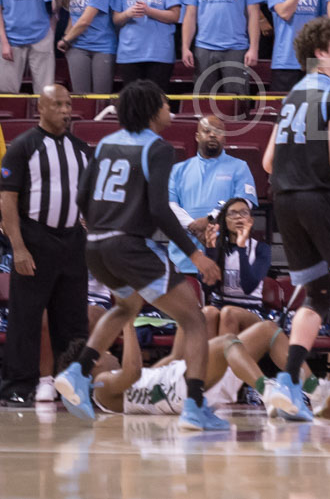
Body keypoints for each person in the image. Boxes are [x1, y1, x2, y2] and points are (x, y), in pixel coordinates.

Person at [54, 80, 226, 430]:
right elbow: (161, 210)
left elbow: (82, 197)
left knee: (124, 307)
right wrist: (195, 254)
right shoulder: (158, 148)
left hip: (96, 246)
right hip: (129, 247)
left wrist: (102, 224)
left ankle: (77, 371)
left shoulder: (104, 144)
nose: (169, 110)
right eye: (164, 104)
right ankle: (194, 405)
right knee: (193, 319)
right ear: (151, 110)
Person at [262, 18, 330, 421]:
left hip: (285, 201)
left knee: (320, 294)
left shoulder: (291, 95)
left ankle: (288, 383)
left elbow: (268, 161)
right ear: (321, 54)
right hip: (319, 200)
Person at [0, 86, 89, 407]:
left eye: (68, 104)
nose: (66, 110)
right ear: (40, 108)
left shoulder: (81, 149)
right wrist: (18, 248)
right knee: (26, 318)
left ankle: (72, 385)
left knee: (73, 320)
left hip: (72, 242)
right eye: (58, 104)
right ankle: (17, 387)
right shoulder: (23, 147)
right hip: (35, 242)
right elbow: (7, 201)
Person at [78, 317, 295, 418]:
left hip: (185, 380)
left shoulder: (140, 379)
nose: (109, 353)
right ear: (94, 361)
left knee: (268, 330)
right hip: (183, 390)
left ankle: (308, 392)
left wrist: (184, 310)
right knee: (227, 341)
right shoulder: (101, 386)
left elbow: (174, 357)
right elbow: (132, 369)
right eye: (105, 351)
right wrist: (127, 321)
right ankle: (268, 391)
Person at [167, 114, 260, 281]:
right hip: (183, 256)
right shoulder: (178, 170)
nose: (212, 135)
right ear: (197, 136)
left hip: (225, 257)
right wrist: (193, 226)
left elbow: (244, 204)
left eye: (217, 131)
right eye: (206, 131)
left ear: (224, 138)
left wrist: (210, 219)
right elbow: (170, 206)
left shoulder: (239, 167)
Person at [199, 197, 271, 337]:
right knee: (208, 312)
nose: (238, 217)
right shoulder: (217, 247)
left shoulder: (261, 249)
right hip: (221, 305)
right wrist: (210, 251)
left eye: (244, 213)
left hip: (251, 310)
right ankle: (210, 359)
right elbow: (207, 288)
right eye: (232, 213)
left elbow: (248, 287)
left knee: (229, 313)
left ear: (250, 220)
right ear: (225, 220)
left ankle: (223, 358)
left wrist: (242, 248)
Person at [267, 0, 326, 92]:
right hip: (284, 59)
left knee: (312, 112)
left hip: (312, 60)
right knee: (284, 109)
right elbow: (285, 13)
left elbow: (322, 23)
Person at [58, 0, 117, 94]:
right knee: (80, 96)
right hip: (78, 46)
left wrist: (65, 40)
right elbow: (74, 17)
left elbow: (85, 20)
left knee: (101, 96)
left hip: (102, 46)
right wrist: (67, 37)